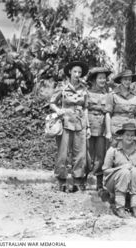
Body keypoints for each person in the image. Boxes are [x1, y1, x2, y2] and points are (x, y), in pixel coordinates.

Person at [50, 61, 90, 192]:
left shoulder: (84, 88)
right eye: (75, 72)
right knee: (63, 154)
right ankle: (62, 180)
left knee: (80, 154)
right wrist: (57, 110)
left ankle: (77, 181)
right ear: (70, 72)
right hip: (65, 122)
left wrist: (87, 126)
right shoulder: (62, 87)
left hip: (80, 123)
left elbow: (85, 108)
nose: (77, 74)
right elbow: (52, 103)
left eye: (79, 72)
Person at [103, 123, 136, 218]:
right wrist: (121, 168)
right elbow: (105, 171)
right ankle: (120, 207)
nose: (129, 138)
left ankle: (134, 205)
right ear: (122, 136)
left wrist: (135, 170)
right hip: (113, 183)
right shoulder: (113, 150)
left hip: (131, 185)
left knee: (135, 171)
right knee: (125, 171)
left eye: (132, 136)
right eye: (127, 135)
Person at [86, 67, 112, 190]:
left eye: (104, 78)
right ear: (94, 79)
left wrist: (108, 130)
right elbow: (85, 110)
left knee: (101, 154)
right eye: (100, 78)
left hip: (102, 126)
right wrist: (86, 127)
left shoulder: (108, 94)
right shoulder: (88, 93)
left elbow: (108, 113)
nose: (102, 80)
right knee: (87, 153)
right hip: (89, 125)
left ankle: (99, 182)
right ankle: (84, 179)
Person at [105, 69, 136, 145]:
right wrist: (108, 132)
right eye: (125, 79)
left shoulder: (135, 96)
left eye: (129, 80)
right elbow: (108, 114)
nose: (127, 82)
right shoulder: (112, 94)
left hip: (131, 130)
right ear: (121, 80)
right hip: (117, 130)